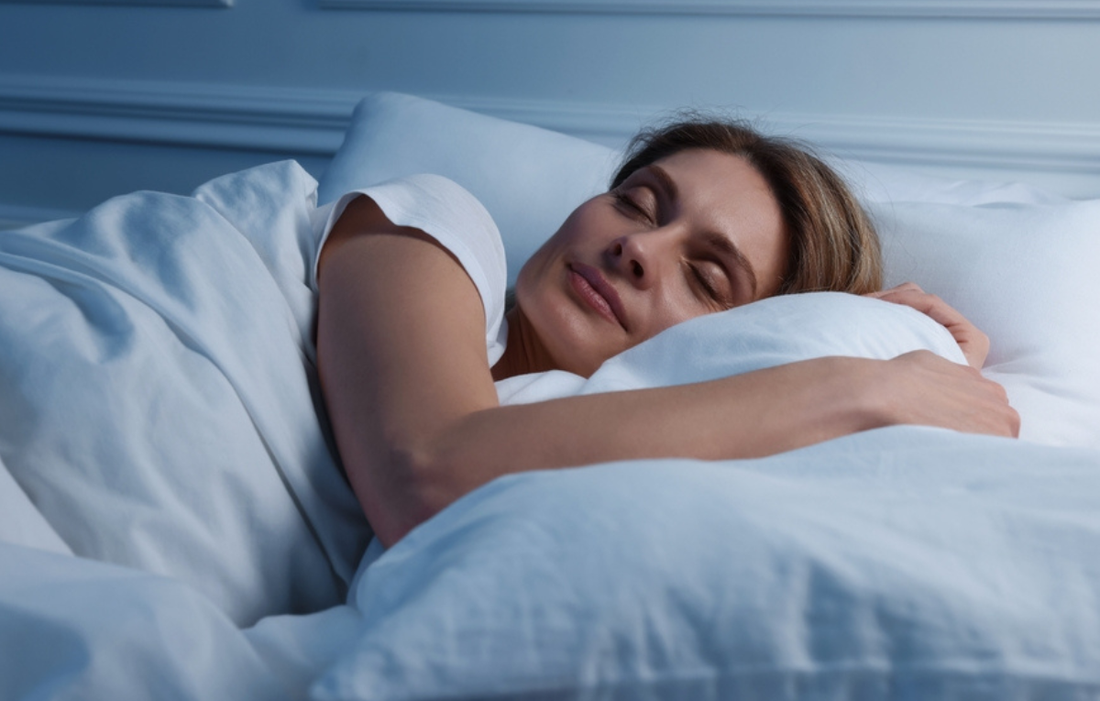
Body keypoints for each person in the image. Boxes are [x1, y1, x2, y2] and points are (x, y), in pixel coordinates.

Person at [315, 117, 1019, 547]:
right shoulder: (437, 229)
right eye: (638, 203)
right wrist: (863, 386)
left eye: (707, 278)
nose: (639, 249)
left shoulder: (583, 436)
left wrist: (907, 348)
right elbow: (427, 471)